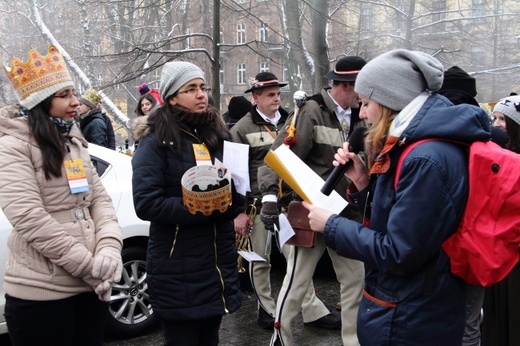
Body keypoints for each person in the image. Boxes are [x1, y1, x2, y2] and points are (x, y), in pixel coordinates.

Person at [303, 49, 492, 345]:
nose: (362, 113)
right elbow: (400, 219)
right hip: (410, 308)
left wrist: (331, 225)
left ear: (389, 99)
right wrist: (364, 182)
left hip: (411, 316)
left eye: (366, 103)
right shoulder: (415, 146)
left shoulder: (425, 158)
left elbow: (399, 252)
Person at [0, 44, 123, 346]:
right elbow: (29, 219)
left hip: (91, 288)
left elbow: (100, 201)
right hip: (43, 295)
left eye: (73, 93)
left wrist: (108, 249)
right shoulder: (11, 147)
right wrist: (89, 267)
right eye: (64, 95)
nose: (76, 103)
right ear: (41, 102)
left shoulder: (74, 141)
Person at [131, 61, 244, 346]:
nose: (201, 94)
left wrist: (234, 202)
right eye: (190, 89)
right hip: (177, 265)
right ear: (171, 97)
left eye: (202, 87)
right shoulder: (155, 141)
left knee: (210, 340)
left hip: (216, 263)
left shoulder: (217, 136)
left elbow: (234, 192)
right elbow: (146, 203)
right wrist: (202, 208)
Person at [258, 56, 367, 346]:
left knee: (355, 280)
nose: (365, 95)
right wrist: (270, 196)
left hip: (347, 216)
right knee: (297, 282)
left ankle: (353, 341)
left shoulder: (363, 116)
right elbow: (279, 156)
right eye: (361, 87)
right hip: (311, 213)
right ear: (345, 85)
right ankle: (281, 338)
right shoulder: (310, 111)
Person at [230, 72, 339, 331]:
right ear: (255, 99)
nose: (276, 99)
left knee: (298, 260)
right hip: (257, 204)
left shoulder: (293, 119)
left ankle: (311, 310)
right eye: (270, 95)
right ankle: (266, 309)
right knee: (260, 260)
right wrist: (238, 212)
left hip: (290, 204)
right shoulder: (240, 129)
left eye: (278, 94)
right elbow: (234, 175)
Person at [481, 94, 520, 346]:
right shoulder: (501, 157)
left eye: (502, 119)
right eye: (494, 118)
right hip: (499, 257)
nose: (495, 125)